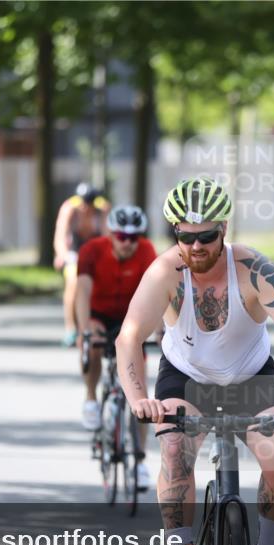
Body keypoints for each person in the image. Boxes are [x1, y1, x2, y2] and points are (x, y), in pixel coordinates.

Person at [115, 176, 274, 545]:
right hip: (186, 379)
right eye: (185, 236)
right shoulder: (165, 273)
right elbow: (130, 337)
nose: (195, 246)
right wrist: (139, 399)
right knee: (174, 450)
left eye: (206, 236)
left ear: (224, 229)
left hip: (251, 378)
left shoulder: (252, 269)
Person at [76, 205, 159, 490]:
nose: (128, 242)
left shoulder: (147, 251)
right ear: (112, 234)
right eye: (122, 236)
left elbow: (160, 294)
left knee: (140, 395)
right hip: (99, 313)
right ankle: (90, 397)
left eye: (134, 237)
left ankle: (138, 461)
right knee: (95, 345)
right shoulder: (92, 251)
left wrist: (160, 329)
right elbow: (82, 291)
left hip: (131, 318)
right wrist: (85, 327)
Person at [54, 183, 111, 347]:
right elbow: (60, 235)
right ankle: (70, 327)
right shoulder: (69, 208)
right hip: (75, 250)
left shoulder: (103, 209)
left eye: (90, 204)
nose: (86, 208)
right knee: (73, 281)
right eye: (84, 204)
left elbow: (107, 237)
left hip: (94, 248)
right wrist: (62, 255)